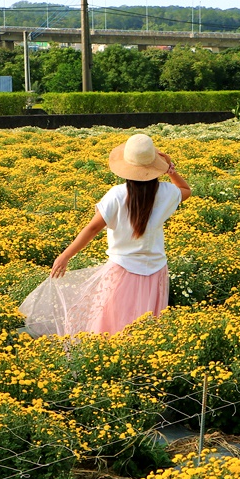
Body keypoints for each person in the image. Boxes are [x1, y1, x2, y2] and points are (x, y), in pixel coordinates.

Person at [19, 133, 191, 336]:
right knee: (147, 325)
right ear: (155, 167)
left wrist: (65, 255)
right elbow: (185, 189)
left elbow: (92, 228)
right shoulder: (166, 192)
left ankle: (111, 358)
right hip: (155, 270)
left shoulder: (117, 195)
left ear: (127, 168)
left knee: (112, 322)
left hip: (122, 270)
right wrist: (171, 169)